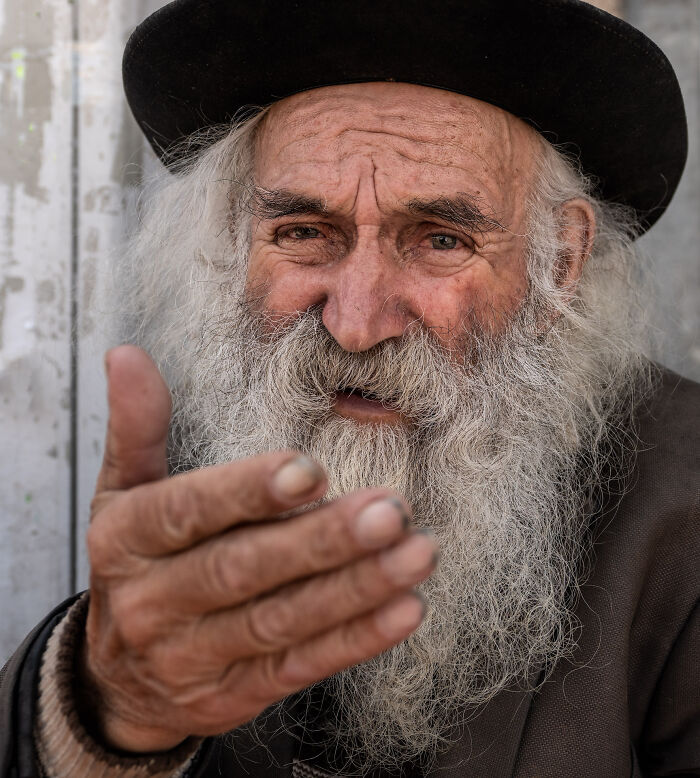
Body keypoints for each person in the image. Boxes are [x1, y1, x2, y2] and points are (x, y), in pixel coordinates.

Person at [1, 0, 698, 776]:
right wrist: (104, 711)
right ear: (237, 237)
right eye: (304, 233)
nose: (357, 323)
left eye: (441, 240)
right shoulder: (212, 444)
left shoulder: (685, 517)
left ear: (559, 266)